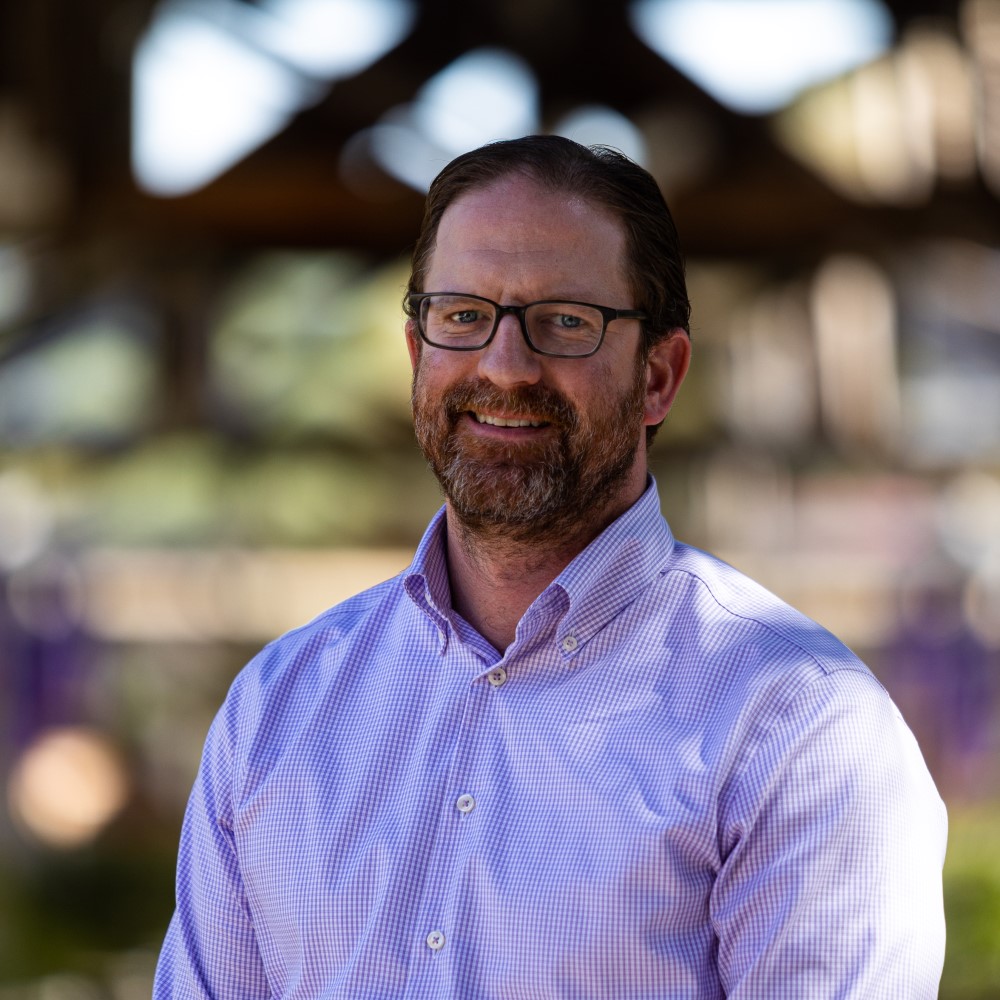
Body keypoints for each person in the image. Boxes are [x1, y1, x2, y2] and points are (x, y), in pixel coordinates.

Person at [154, 135, 947, 998]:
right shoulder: (278, 708)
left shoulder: (801, 729)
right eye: (463, 316)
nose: (504, 366)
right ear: (419, 352)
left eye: (565, 322)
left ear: (660, 376)